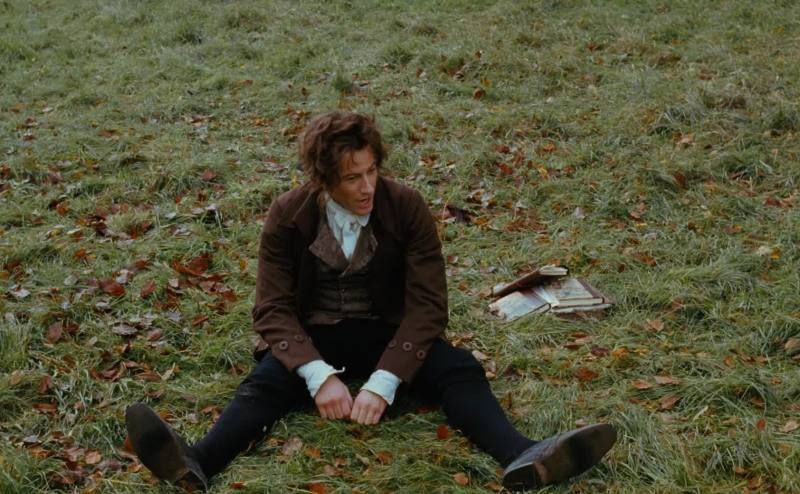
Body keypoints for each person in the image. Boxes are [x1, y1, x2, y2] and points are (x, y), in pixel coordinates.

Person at [125, 111, 617, 491]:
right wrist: (318, 376)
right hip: (316, 336)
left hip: (390, 333)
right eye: (351, 178)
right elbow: (271, 309)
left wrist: (384, 381)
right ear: (323, 180)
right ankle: (196, 463)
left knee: (460, 369)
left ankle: (525, 456)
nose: (367, 188)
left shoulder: (406, 207)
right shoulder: (288, 214)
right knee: (265, 384)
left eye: (372, 171)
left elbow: (428, 305)